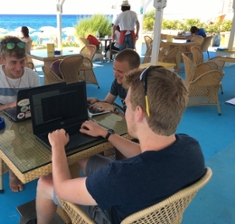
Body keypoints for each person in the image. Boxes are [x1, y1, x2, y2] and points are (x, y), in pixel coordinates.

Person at [21, 66, 206, 224]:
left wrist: (57, 146)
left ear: (139, 113)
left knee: (46, 183)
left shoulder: (121, 176)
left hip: (111, 216)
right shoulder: (192, 147)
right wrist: (107, 134)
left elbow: (61, 188)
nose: (124, 105)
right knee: (85, 159)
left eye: (127, 103)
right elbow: (143, 154)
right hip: (154, 210)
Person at [0, 36, 40, 192]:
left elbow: (37, 104)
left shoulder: (32, 76)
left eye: (22, 62)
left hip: (23, 115)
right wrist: (9, 105)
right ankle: (13, 172)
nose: (19, 68)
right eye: (13, 62)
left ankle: (40, 165)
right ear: (2, 60)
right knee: (17, 135)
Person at [87, 49, 140, 116]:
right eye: (114, 69)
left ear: (134, 71)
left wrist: (114, 109)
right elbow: (107, 102)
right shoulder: (119, 81)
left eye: (120, 71)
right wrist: (96, 101)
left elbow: (135, 123)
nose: (115, 75)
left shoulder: (140, 90)